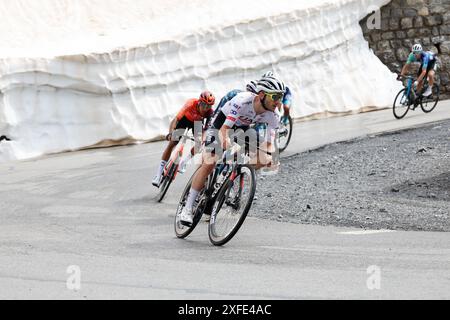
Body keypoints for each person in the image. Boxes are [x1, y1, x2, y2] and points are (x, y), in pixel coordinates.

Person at [179, 75, 286, 226]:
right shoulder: (243, 101)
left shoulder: (274, 114)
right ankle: (187, 208)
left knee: (264, 158)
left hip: (242, 128)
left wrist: (269, 157)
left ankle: (237, 172)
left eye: (281, 97)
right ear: (262, 95)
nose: (278, 101)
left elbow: (269, 145)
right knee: (210, 161)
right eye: (275, 96)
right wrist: (226, 143)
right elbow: (224, 130)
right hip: (222, 123)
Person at [152, 91, 216, 187]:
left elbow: (206, 129)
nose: (205, 108)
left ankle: (184, 162)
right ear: (199, 102)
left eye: (209, 106)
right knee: (173, 143)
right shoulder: (190, 104)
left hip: (197, 124)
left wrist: (202, 141)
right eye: (204, 104)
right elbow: (176, 119)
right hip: (184, 121)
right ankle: (158, 175)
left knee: (199, 145)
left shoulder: (210, 113)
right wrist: (171, 133)